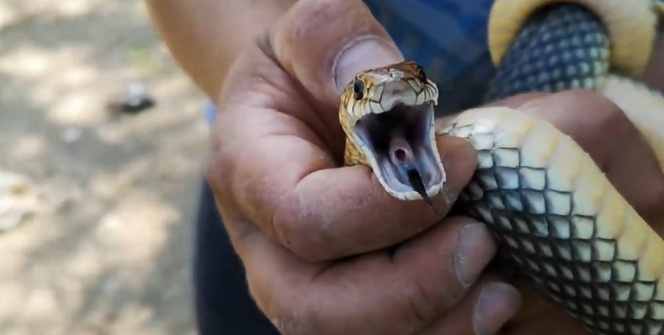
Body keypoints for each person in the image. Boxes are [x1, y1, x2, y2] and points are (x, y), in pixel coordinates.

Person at [143, 0, 664, 334]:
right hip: (292, 181)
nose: (389, 87)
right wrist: (267, 82)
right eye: (369, 88)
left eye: (406, 82)